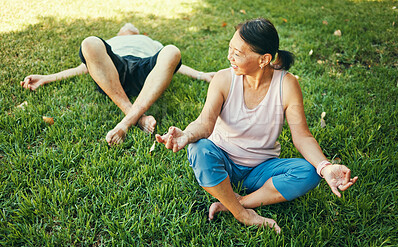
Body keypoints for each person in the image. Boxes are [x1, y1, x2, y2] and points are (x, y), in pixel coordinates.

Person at [156, 18, 358, 233]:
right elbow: (205, 123)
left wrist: (325, 167)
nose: (229, 57)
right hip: (222, 159)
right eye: (230, 49)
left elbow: (302, 136)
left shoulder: (287, 85)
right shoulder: (223, 79)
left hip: (260, 169)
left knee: (308, 172)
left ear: (264, 59)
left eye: (238, 53)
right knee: (198, 148)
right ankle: (242, 213)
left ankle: (237, 202)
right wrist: (186, 135)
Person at [20, 23, 216, 145]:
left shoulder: (151, 42)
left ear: (139, 33)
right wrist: (47, 77)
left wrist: (202, 75)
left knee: (172, 50)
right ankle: (138, 118)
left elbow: (171, 65)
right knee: (89, 42)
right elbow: (87, 66)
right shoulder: (111, 41)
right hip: (115, 70)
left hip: (145, 70)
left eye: (132, 28)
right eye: (125, 28)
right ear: (120, 33)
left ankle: (126, 122)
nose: (129, 27)